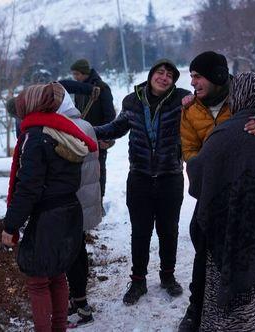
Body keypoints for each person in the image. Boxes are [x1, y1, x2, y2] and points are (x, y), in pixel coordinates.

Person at [178, 50, 255, 331]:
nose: (194, 83)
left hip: (250, 190)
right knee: (205, 247)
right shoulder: (190, 109)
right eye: (192, 77)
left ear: (216, 77)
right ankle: (196, 307)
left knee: (233, 250)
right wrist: (208, 163)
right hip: (216, 188)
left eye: (198, 77)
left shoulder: (252, 101)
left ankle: (238, 308)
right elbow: (189, 150)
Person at [2, 83, 97, 332]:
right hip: (68, 210)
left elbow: (28, 188)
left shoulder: (35, 137)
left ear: (30, 105)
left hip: (48, 216)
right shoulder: (62, 130)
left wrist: (10, 224)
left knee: (37, 280)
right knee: (56, 274)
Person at [95, 59, 190, 305]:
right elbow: (116, 128)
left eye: (170, 75)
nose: (164, 77)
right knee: (140, 232)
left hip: (171, 177)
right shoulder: (132, 101)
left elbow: (204, 114)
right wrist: (88, 130)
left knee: (169, 231)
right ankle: (138, 281)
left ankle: (167, 277)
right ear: (150, 76)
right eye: (160, 72)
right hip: (139, 178)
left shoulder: (183, 100)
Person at [58, 93, 102, 328]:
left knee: (72, 255)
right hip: (86, 199)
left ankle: (82, 306)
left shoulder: (62, 127)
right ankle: (79, 300)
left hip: (72, 201)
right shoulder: (85, 125)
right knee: (79, 250)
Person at [67, 59, 117, 214]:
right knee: (84, 172)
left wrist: (106, 138)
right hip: (82, 137)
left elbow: (110, 115)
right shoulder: (81, 89)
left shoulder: (102, 88)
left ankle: (98, 204)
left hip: (98, 137)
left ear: (84, 73)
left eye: (77, 74)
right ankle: (84, 204)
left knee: (98, 171)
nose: (75, 77)